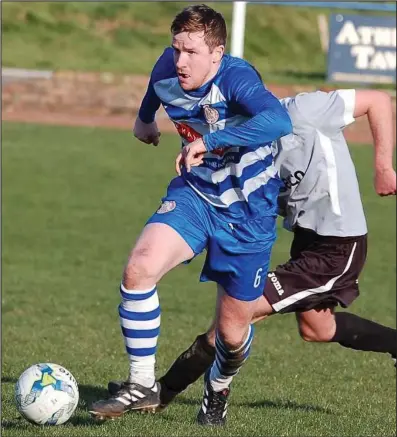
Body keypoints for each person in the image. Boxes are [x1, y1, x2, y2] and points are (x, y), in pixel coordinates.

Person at [108, 88, 397, 417]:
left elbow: (378, 100)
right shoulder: (245, 144)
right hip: (305, 240)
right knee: (317, 329)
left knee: (235, 318)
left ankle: (163, 392)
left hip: (338, 247)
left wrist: (383, 167)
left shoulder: (305, 111)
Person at [89, 4, 292, 425]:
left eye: (192, 52)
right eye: (177, 48)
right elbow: (157, 81)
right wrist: (144, 119)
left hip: (248, 213)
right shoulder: (169, 66)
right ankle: (142, 383)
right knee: (138, 270)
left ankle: (217, 390)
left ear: (216, 53)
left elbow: (279, 120)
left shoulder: (236, 78)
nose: (180, 61)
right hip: (196, 196)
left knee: (231, 337)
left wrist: (214, 138)